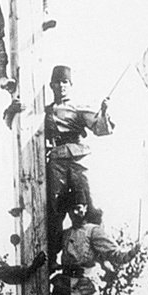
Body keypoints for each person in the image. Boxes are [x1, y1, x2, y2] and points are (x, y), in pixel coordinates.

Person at [44, 66, 113, 259]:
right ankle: (51, 257)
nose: (61, 86)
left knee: (90, 204)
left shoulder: (79, 108)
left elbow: (100, 129)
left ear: (71, 85)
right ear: (52, 86)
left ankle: (100, 252)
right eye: (57, 82)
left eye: (65, 82)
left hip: (78, 158)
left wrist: (104, 111)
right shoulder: (45, 112)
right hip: (57, 160)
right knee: (55, 209)